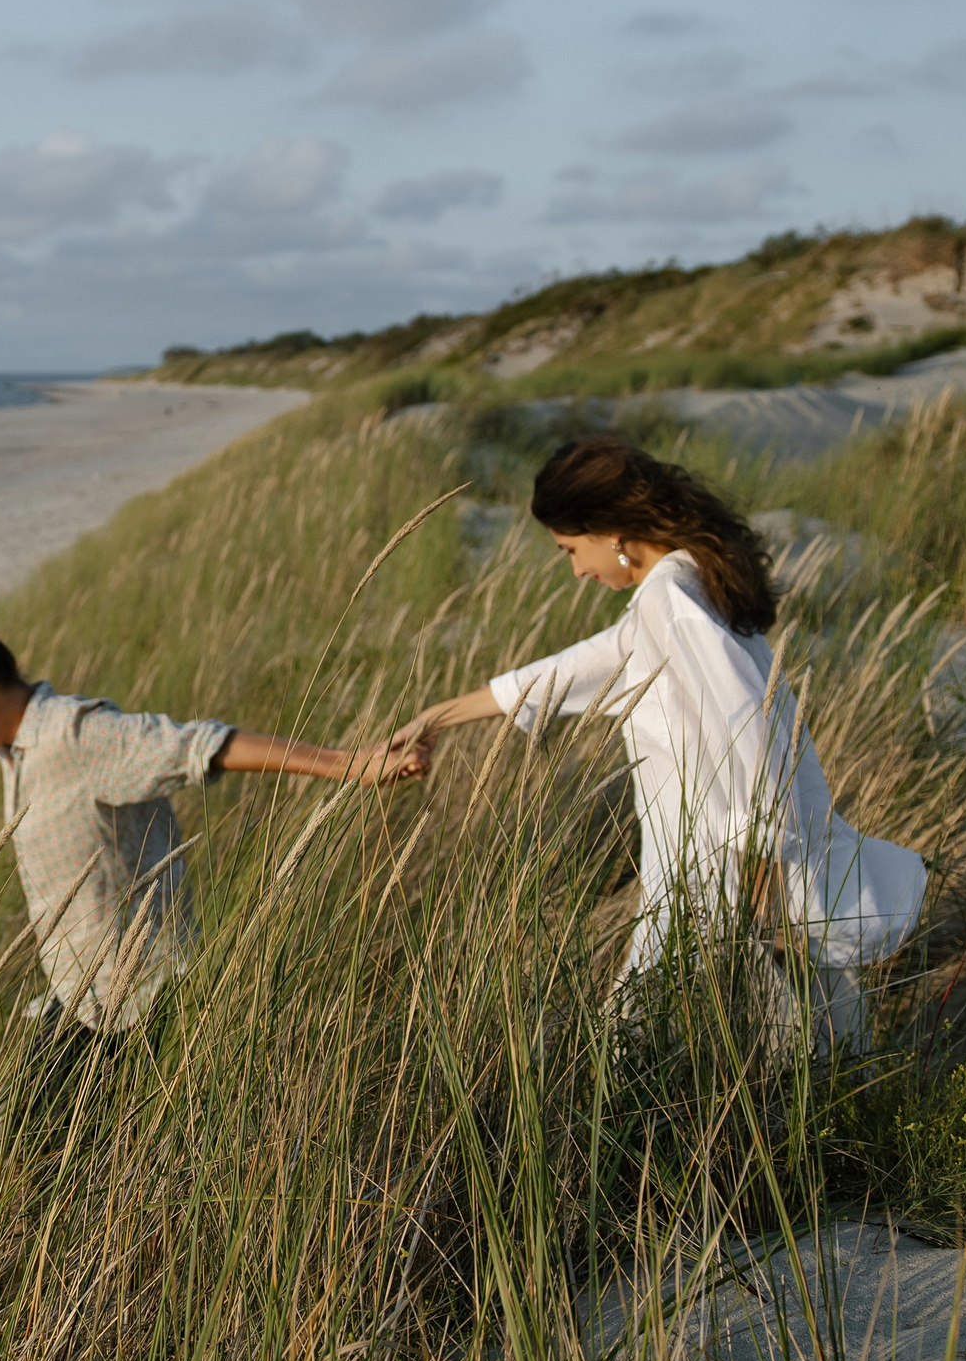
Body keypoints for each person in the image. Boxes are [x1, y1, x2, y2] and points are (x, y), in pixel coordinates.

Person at [389, 437, 925, 1050]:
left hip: (721, 869)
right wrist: (440, 715)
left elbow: (749, 728)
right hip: (707, 866)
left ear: (610, 530)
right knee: (796, 1028)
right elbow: (584, 666)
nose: (576, 570)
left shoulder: (671, 599)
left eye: (571, 549)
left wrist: (767, 871)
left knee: (652, 1037)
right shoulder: (675, 587)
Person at [0, 602, 413, 1164]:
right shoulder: (16, 753)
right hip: (80, 998)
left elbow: (201, 745)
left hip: (143, 1002)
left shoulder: (74, 734)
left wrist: (350, 764)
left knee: (85, 1165)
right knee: (40, 1162)